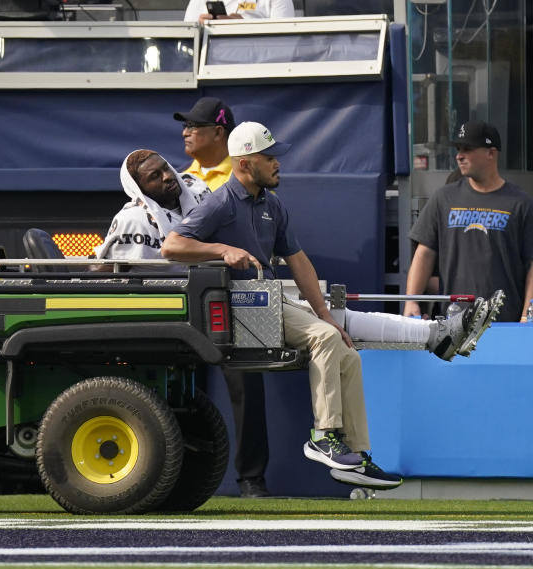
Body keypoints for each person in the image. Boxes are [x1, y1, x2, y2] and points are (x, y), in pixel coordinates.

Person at [162, 121, 501, 489]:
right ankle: (324, 436)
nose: (278, 163)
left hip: (265, 304)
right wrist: (222, 250)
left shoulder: (271, 205)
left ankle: (355, 457)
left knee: (346, 350)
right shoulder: (220, 202)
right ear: (244, 164)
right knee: (325, 338)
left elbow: (300, 262)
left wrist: (325, 315)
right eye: (269, 156)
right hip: (240, 310)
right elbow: (172, 246)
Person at [175, 97, 271, 498]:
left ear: (221, 133)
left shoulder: (248, 174)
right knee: (177, 386)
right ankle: (176, 473)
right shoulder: (176, 178)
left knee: (248, 387)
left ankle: (252, 478)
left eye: (195, 126)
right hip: (185, 294)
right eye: (185, 126)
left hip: (239, 295)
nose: (185, 132)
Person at [405, 121, 533, 324]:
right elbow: (425, 252)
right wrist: (411, 300)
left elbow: (531, 265)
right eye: (458, 149)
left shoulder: (520, 203)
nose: (459, 156)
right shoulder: (443, 198)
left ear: (491, 153)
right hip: (452, 322)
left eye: (468, 149)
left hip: (504, 322)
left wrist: (528, 313)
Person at [93, 149, 208, 265]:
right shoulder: (133, 220)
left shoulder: (197, 188)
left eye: (166, 167)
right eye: (155, 176)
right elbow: (107, 270)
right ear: (140, 189)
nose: (167, 176)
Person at [175, 97, 236, 193]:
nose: (185, 133)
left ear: (218, 132)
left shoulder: (244, 175)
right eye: (185, 126)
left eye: (192, 126)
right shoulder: (179, 176)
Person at [184, 0, 294, 23]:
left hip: (257, 72)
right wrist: (200, 30)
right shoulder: (198, 1)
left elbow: (285, 45)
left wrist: (244, 28)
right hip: (209, 71)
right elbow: (184, 43)